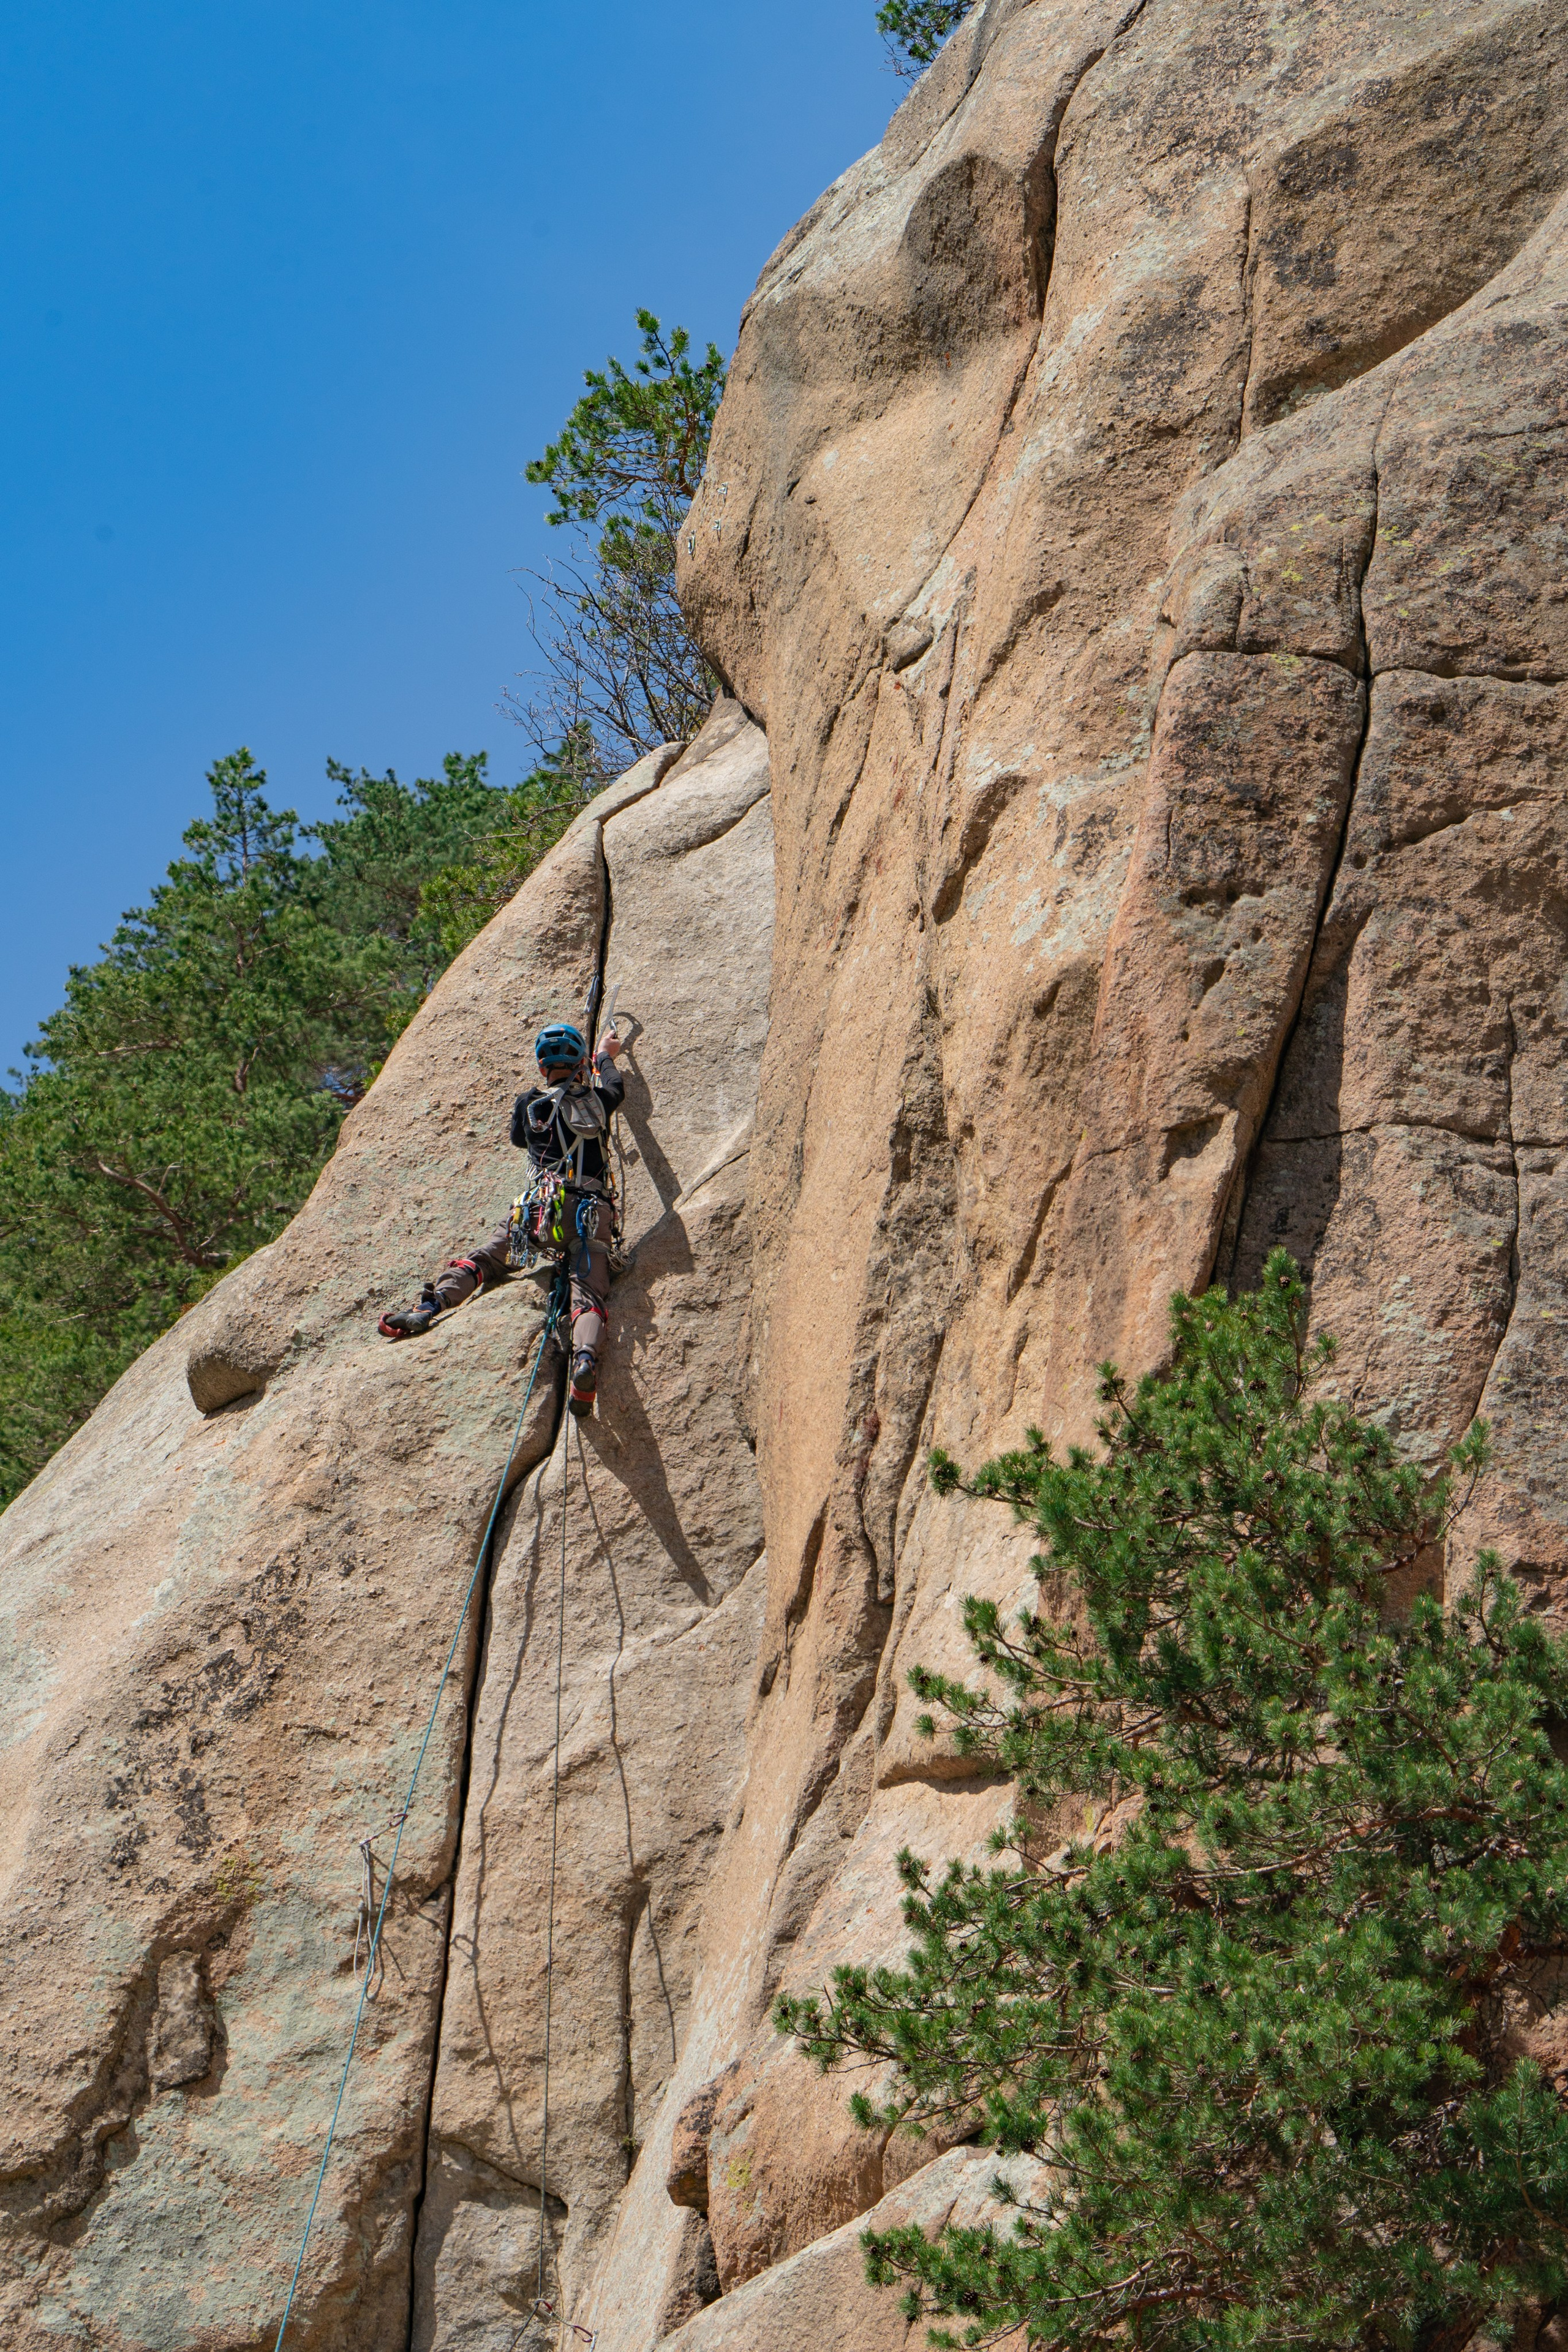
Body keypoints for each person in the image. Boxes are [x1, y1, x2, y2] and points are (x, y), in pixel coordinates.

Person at [378, 1019, 625, 1418]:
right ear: (580, 1062)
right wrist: (604, 1059)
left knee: (487, 1260)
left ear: (542, 1068)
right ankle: (584, 1362)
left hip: (538, 1213)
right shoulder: (600, 1099)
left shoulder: (529, 1104)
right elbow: (617, 1088)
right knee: (589, 1294)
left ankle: (429, 1307)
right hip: (588, 1213)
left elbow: (517, 1140)